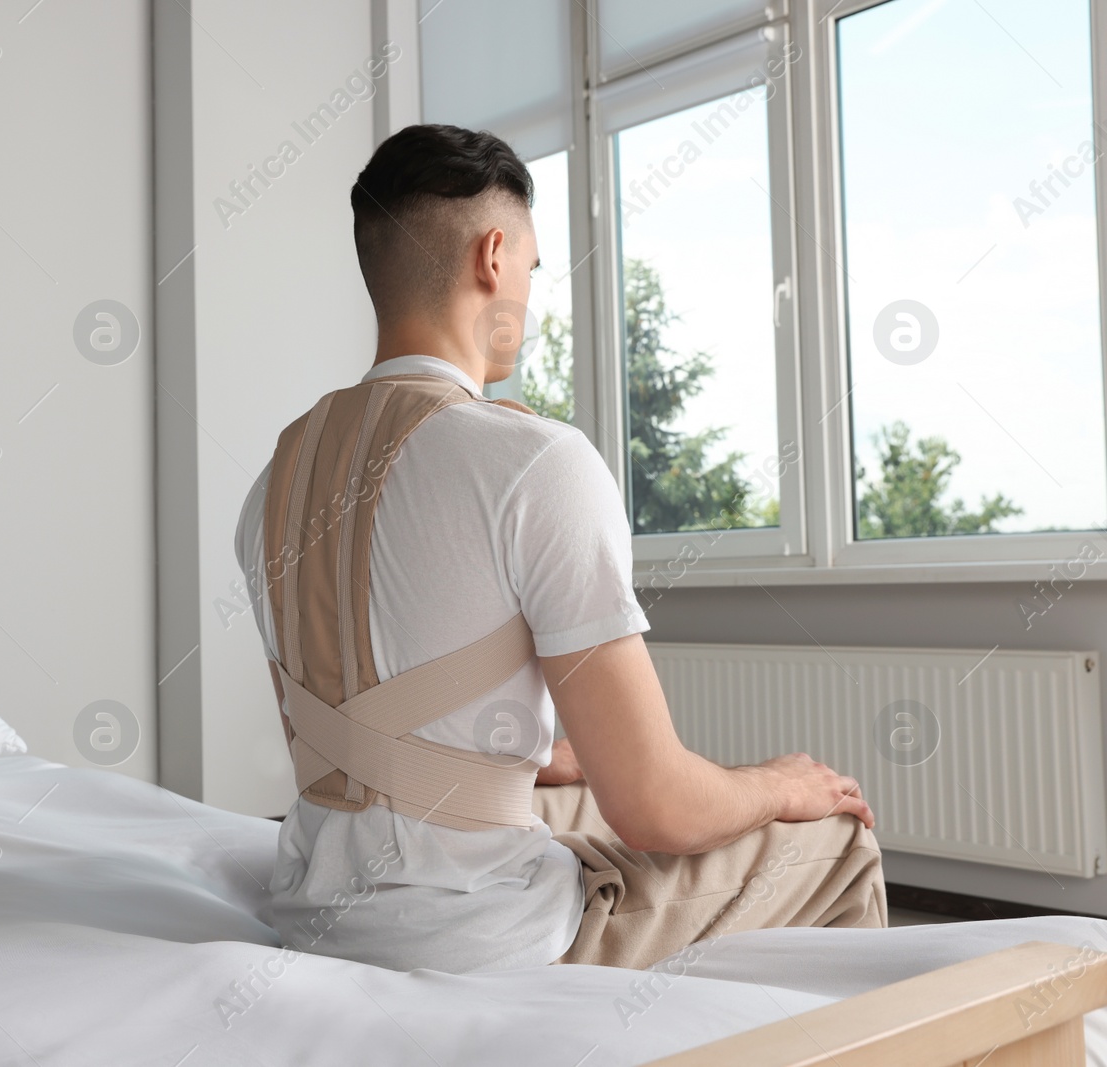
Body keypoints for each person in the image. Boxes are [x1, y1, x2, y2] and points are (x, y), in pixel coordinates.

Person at [232, 123, 885, 974]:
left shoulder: (274, 480)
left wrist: (537, 755)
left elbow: (366, 712)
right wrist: (779, 785)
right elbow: (657, 808)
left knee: (579, 785)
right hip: (475, 935)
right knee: (836, 839)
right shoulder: (532, 461)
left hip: (313, 904)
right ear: (493, 257)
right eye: (534, 270)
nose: (530, 298)